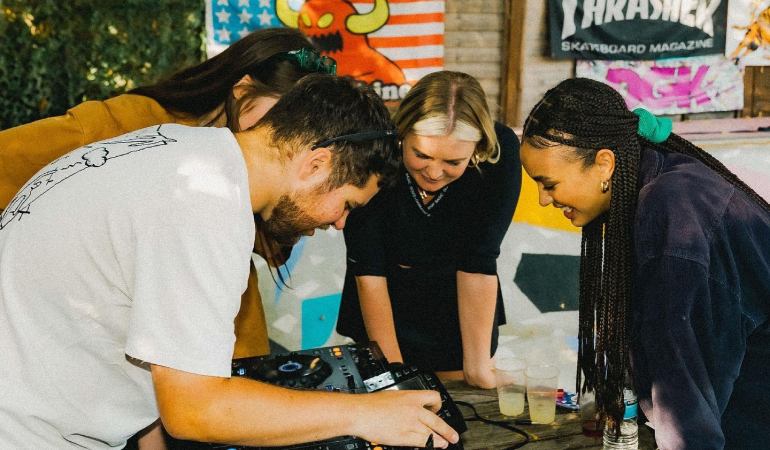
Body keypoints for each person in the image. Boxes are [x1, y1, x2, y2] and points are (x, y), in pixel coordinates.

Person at [0, 74, 460, 449]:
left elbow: (147, 363)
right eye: (347, 205)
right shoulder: (207, 202)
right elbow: (195, 410)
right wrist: (366, 413)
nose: (340, 224)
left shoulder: (178, 149)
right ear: (316, 164)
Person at [519, 77, 770, 450]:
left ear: (604, 164)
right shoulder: (659, 181)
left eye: (549, 183)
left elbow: (681, 391)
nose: (542, 199)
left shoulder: (671, 210)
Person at [336, 71, 522, 389]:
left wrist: (477, 367)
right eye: (420, 154)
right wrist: (396, 378)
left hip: (458, 304)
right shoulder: (373, 151)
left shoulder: (500, 153)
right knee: (388, 390)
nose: (434, 172)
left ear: (478, 148)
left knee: (464, 391)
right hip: (381, 298)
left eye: (453, 161)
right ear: (401, 133)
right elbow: (369, 270)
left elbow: (479, 261)